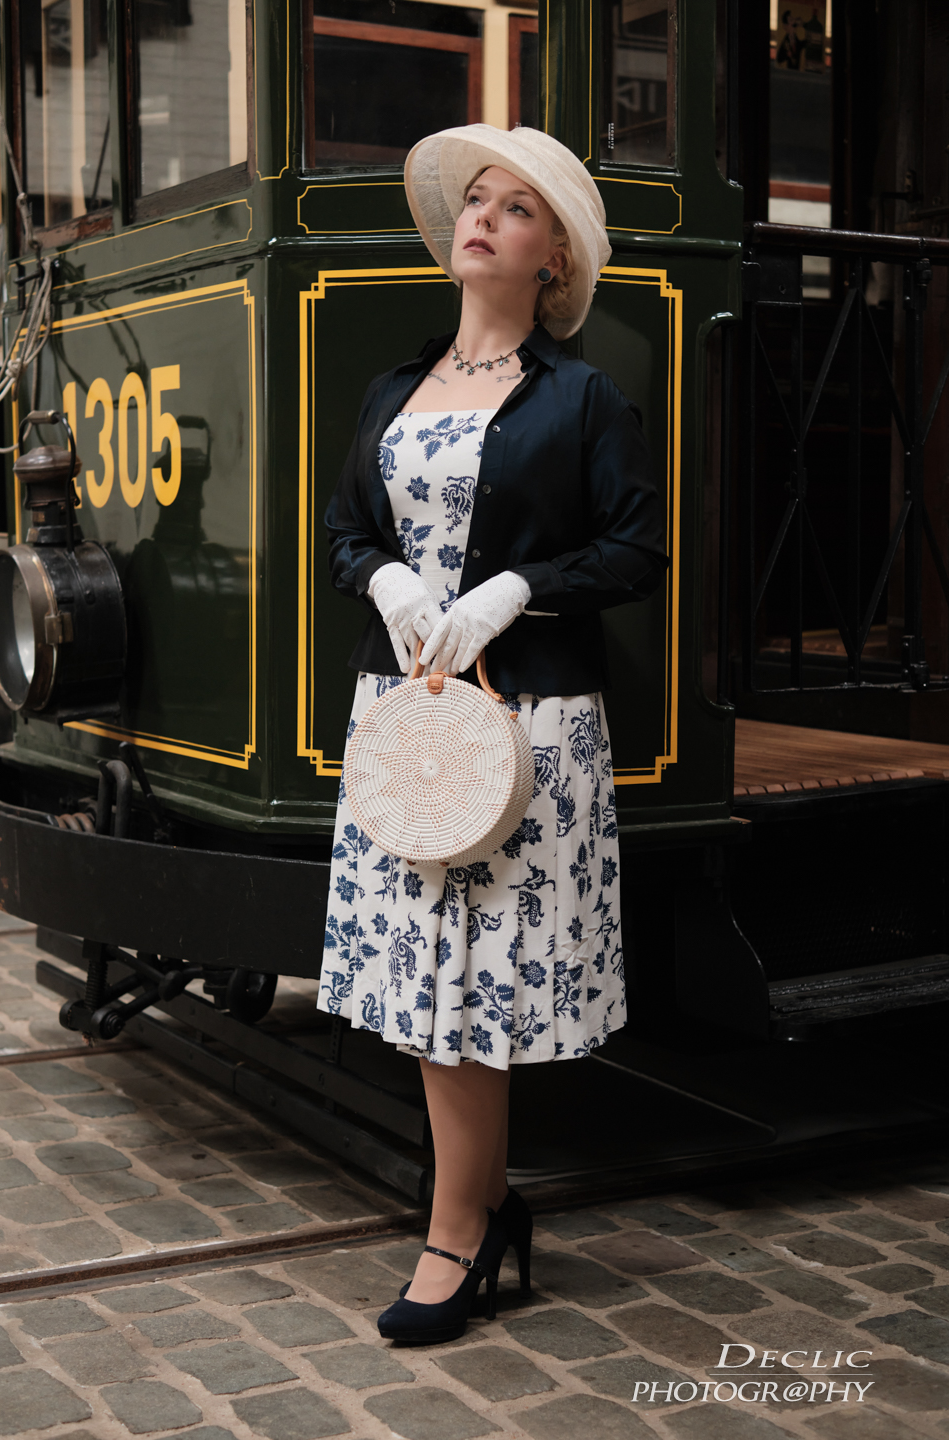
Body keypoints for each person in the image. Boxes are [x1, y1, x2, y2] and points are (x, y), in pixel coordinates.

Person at [321, 123, 667, 1344]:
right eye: (476, 200)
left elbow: (636, 547)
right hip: (412, 717)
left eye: (517, 210)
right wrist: (390, 585)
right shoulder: (391, 390)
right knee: (428, 981)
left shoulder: (582, 397)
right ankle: (484, 1210)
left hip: (523, 725)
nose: (482, 218)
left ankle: (457, 1233)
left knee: (471, 985)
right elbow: (343, 528)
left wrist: (514, 589)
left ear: (552, 261)